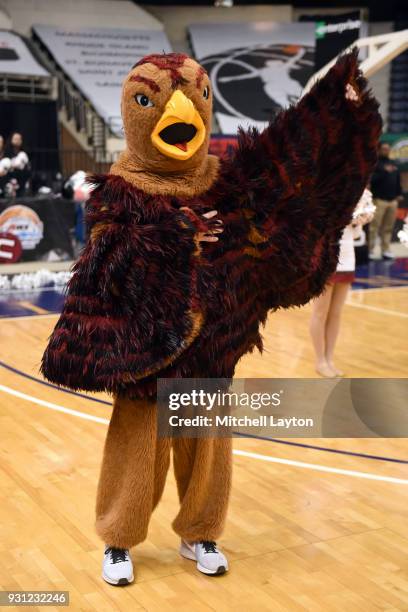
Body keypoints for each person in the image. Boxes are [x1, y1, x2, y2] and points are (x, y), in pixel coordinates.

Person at [41, 51, 381, 585]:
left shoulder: (226, 179)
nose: (180, 110)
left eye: (194, 97)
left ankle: (200, 533)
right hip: (147, 354)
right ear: (136, 113)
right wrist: (176, 238)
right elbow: (104, 268)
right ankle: (118, 541)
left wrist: (335, 109)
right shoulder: (121, 190)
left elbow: (285, 161)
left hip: (214, 347)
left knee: (209, 453)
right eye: (153, 99)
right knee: (138, 449)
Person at [310, 189, 375, 377]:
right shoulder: (327, 188)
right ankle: (320, 360)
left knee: (336, 312)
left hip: (347, 254)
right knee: (320, 311)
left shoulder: (358, 190)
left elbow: (355, 233)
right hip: (326, 254)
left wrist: (360, 217)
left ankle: (329, 359)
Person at [369, 142, 403, 260]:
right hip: (379, 200)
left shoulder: (393, 164)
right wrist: (384, 171)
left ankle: (386, 250)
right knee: (374, 227)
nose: (386, 151)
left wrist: (399, 193)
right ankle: (370, 250)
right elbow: (372, 180)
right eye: (384, 149)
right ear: (379, 150)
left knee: (388, 227)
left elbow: (398, 180)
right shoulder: (375, 164)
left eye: (388, 149)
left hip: (392, 201)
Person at [5, 132, 30, 196]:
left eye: (19, 139)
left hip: (21, 185)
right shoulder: (8, 154)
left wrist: (8, 166)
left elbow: (18, 166)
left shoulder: (23, 154)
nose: (17, 141)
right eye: (15, 139)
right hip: (10, 185)